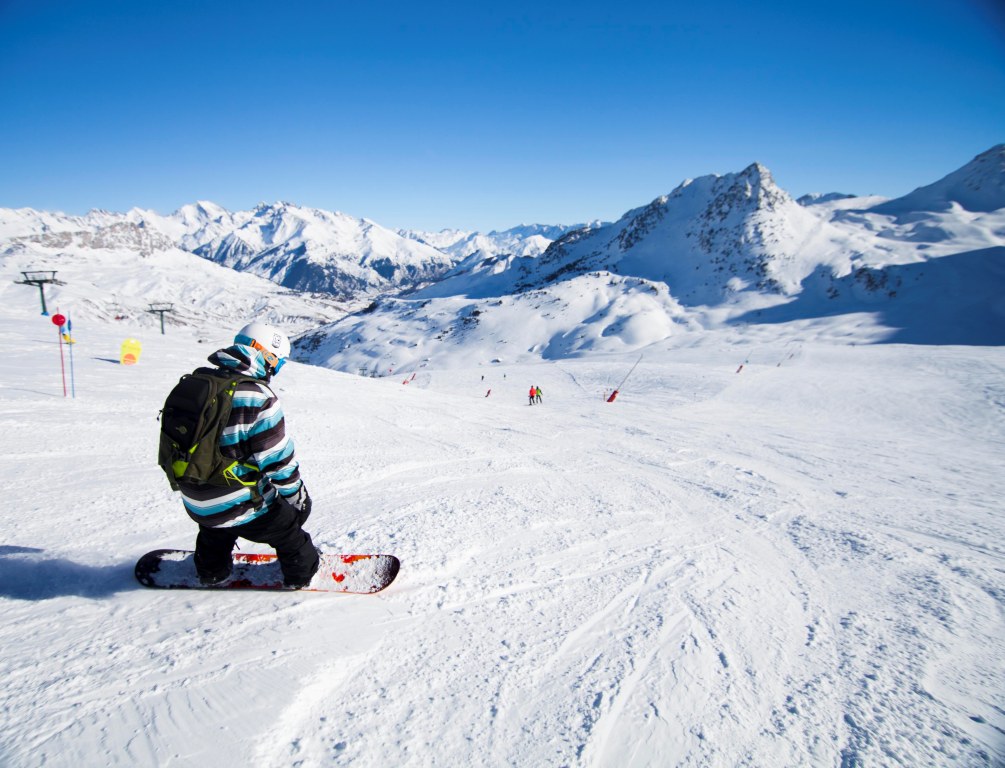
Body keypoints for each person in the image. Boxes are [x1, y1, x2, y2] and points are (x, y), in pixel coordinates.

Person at [171, 321, 319, 588]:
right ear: (266, 355)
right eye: (279, 362)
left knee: (215, 526)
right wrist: (298, 497)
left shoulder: (198, 382)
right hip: (238, 503)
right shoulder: (258, 396)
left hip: (194, 499)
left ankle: (211, 571)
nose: (276, 369)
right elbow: (278, 461)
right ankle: (301, 576)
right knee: (289, 531)